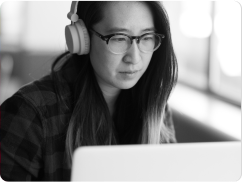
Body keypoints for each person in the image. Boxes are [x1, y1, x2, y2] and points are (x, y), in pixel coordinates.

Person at [0, 0, 178, 181]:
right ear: (82, 38)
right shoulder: (29, 113)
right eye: (118, 38)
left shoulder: (156, 107)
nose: (134, 57)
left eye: (147, 38)